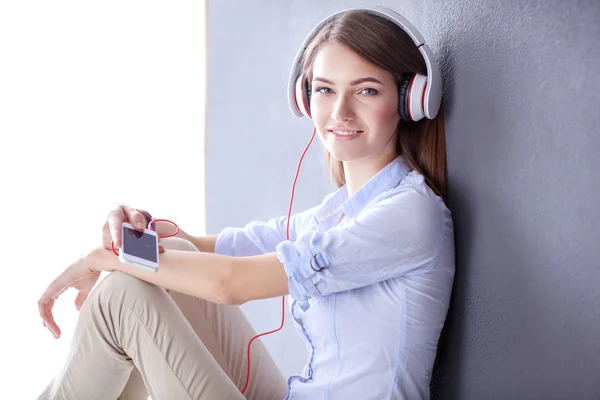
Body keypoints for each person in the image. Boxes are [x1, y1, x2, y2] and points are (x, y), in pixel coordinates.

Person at [37, 7, 455, 400]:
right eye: (325, 90)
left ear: (410, 100)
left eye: (366, 90)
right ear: (305, 98)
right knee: (166, 260)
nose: (340, 111)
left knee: (120, 299)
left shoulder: (409, 213)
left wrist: (103, 259)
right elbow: (206, 249)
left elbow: (230, 283)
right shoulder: (340, 212)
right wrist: (130, 231)